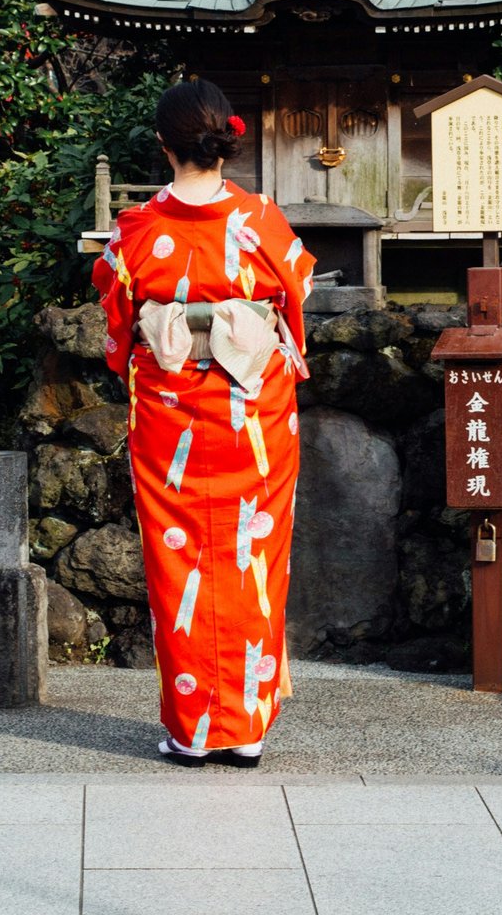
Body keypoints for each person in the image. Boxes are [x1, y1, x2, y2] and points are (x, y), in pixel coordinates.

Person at [92, 80, 318, 768]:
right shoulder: (263, 221)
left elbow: (117, 324)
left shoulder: (135, 229)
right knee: (253, 559)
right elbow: (297, 295)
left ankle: (193, 728)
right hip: (253, 411)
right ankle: (246, 725)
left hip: (169, 412)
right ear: (226, 142)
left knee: (179, 559)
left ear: (163, 145)